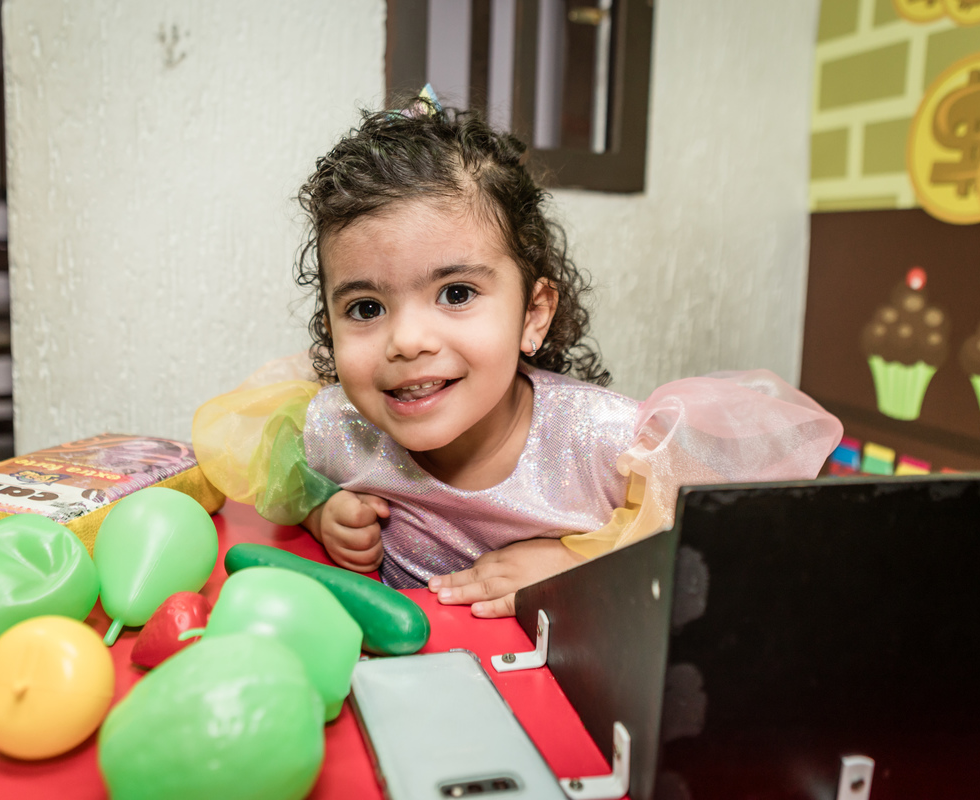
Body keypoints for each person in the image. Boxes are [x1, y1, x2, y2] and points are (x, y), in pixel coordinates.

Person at [193, 89, 843, 617]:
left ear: (532, 315)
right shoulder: (342, 431)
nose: (407, 340)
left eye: (455, 292)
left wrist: (579, 564)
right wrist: (320, 507)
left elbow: (726, 548)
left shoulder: (607, 445)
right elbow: (268, 459)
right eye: (366, 308)